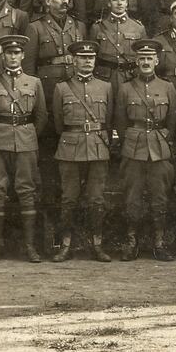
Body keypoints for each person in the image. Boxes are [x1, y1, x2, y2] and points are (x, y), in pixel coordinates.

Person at [0, 33, 48, 262]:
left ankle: (29, 246)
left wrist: (27, 134)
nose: (12, 57)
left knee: (26, 190)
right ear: (3, 55)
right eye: (9, 52)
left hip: (26, 141)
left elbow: (41, 116)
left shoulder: (34, 82)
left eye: (16, 53)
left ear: (23, 55)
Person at [114, 39, 176, 261]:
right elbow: (121, 122)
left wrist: (165, 140)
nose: (145, 62)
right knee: (132, 196)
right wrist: (131, 140)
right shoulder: (125, 88)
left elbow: (173, 120)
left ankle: (159, 242)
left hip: (159, 147)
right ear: (135, 61)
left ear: (157, 61)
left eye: (149, 58)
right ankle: (131, 241)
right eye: (141, 58)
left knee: (159, 196)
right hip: (134, 147)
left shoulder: (168, 87)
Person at [49, 39, 113, 262]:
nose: (87, 61)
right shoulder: (62, 88)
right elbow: (58, 123)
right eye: (83, 58)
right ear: (74, 61)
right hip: (70, 146)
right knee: (69, 198)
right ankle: (66, 244)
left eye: (91, 58)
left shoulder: (105, 87)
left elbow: (110, 120)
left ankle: (97, 244)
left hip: (97, 146)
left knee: (96, 199)